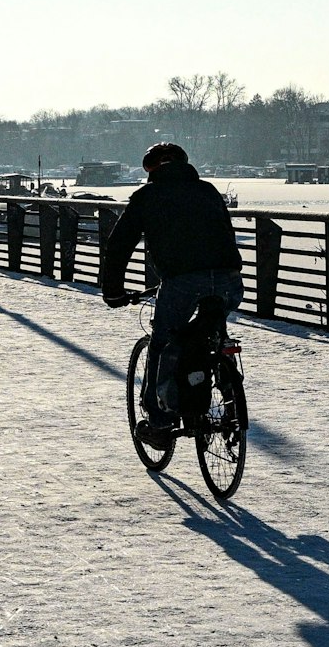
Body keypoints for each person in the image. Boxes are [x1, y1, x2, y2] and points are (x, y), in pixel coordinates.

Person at [100, 143, 243, 441]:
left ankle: (159, 422)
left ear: (151, 169)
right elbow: (226, 234)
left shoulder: (146, 197)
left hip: (182, 282)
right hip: (230, 279)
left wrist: (113, 291)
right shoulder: (208, 191)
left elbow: (119, 245)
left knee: (164, 342)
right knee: (212, 330)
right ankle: (229, 397)